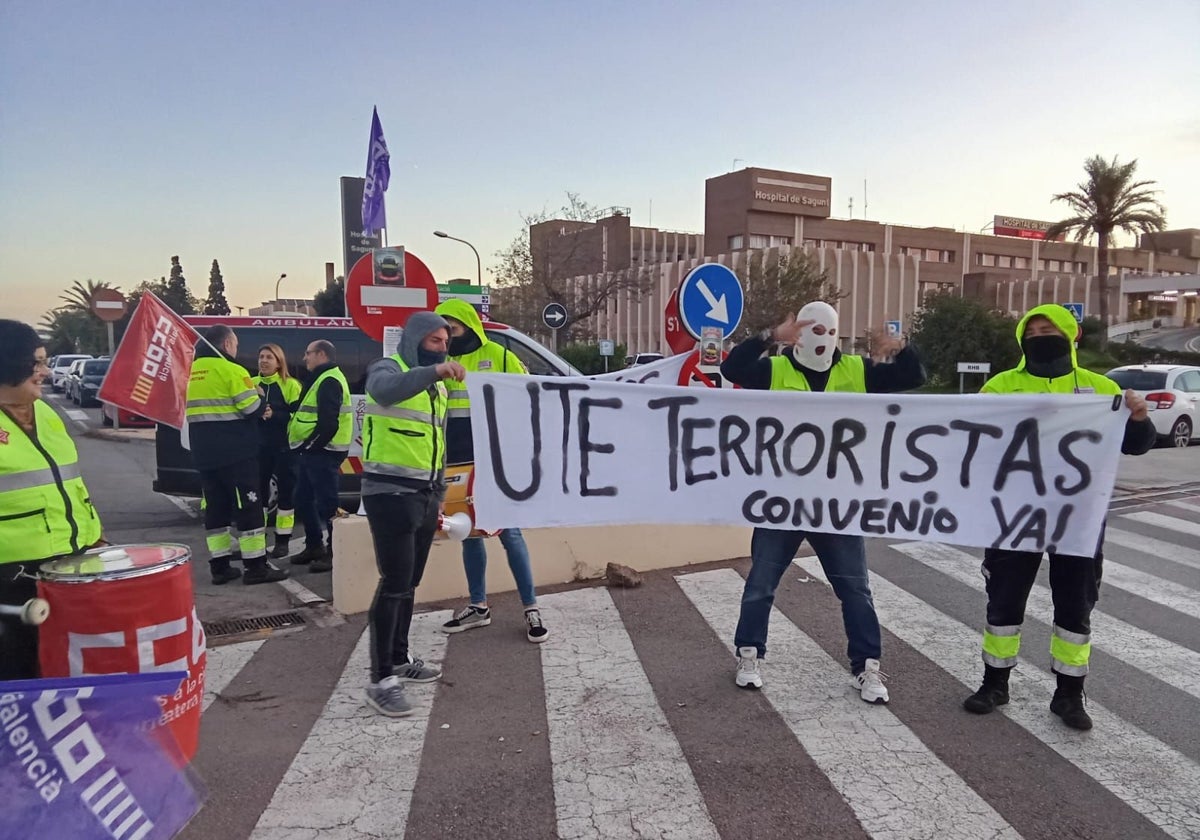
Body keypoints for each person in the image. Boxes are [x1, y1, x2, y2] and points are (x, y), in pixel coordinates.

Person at [719, 301, 927, 703]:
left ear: (837, 334)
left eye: (828, 332)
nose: (821, 340)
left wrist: (899, 347)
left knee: (855, 589)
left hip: (837, 504)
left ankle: (866, 666)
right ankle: (749, 654)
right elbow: (733, 369)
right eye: (812, 330)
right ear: (799, 332)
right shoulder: (774, 369)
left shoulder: (857, 370)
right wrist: (769, 338)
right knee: (761, 584)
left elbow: (914, 376)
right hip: (783, 499)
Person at [962, 303, 1154, 731]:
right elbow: (970, 444)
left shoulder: (1102, 389)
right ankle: (995, 683)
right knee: (1004, 601)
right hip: (1013, 516)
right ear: (1021, 341)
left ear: (1073, 336)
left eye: (1050, 329)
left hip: (1077, 519)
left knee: (1075, 605)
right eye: (1032, 332)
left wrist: (1138, 418)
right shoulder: (999, 387)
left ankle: (1069, 694)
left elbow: (1136, 446)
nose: (1041, 336)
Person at [360, 311, 466, 716]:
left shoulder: (435, 388)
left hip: (424, 494)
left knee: (409, 582)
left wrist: (439, 493)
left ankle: (400, 660)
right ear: (417, 339)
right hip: (389, 493)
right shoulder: (389, 368)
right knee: (394, 582)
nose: (442, 348)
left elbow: (436, 441)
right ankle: (380, 679)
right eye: (435, 341)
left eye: (445, 342)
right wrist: (437, 370)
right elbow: (384, 391)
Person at [433, 298, 548, 643]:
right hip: (456, 460)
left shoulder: (499, 355)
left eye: (452, 328)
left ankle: (531, 608)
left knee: (509, 533)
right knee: (467, 533)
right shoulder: (441, 361)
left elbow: (528, 395)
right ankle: (478, 607)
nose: (449, 335)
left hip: (493, 459)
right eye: (444, 330)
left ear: (468, 324)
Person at [0, 320, 106, 679]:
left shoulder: (45, 412)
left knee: (66, 670)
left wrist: (94, 537)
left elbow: (68, 484)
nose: (46, 371)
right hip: (11, 579)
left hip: (67, 566)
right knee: (19, 676)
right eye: (38, 363)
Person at [186, 325, 287, 586]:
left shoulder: (191, 372)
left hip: (204, 454)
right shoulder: (232, 370)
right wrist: (261, 399)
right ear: (228, 344)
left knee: (216, 511)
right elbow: (250, 406)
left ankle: (220, 567)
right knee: (250, 508)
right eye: (236, 345)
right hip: (236, 454)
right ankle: (256, 568)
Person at [288, 340, 351, 574]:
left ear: (321, 354)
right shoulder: (320, 378)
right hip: (315, 451)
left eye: (308, 353)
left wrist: (311, 446)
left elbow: (328, 423)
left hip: (324, 452)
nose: (305, 358)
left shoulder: (330, 380)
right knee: (302, 498)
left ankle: (334, 552)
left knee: (328, 504)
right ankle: (314, 546)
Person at [253, 344, 302, 559]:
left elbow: (298, 416)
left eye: (269, 357)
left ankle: (283, 540)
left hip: (284, 448)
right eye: (261, 357)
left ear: (279, 362)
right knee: (259, 495)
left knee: (286, 495)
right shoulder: (251, 384)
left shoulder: (290, 385)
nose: (263, 361)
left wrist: (276, 414)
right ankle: (258, 540)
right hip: (258, 448)